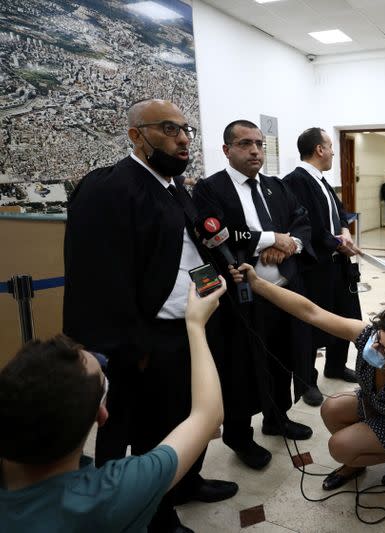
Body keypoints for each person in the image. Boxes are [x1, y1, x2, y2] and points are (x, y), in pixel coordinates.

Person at [63, 99, 237, 532]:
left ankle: (186, 482)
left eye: (185, 130)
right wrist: (127, 347)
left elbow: (188, 251)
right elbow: (98, 277)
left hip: (188, 328)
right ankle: (156, 514)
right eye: (168, 129)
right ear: (136, 136)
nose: (182, 139)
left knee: (183, 415)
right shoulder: (109, 188)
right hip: (142, 341)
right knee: (146, 432)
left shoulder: (173, 187)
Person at [0, 280, 227, 533]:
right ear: (102, 413)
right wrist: (195, 325)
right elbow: (208, 415)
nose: (98, 357)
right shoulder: (112, 493)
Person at [230, 262, 385, 526]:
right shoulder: (367, 336)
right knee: (331, 408)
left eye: (384, 350)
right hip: (379, 407)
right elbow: (311, 312)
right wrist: (258, 284)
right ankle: (356, 464)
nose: (374, 347)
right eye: (377, 339)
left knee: (341, 447)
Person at [192, 120, 316, 470]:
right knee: (240, 368)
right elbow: (215, 231)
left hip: (281, 291)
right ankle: (239, 435)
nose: (255, 150)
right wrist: (270, 238)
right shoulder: (210, 189)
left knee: (282, 359)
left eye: (259, 144)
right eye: (245, 144)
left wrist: (289, 244)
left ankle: (277, 418)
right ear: (227, 150)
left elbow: (300, 221)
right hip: (240, 299)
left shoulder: (276, 187)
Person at [283, 127, 362, 406]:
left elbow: (338, 212)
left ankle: (336, 365)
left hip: (336, 263)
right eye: (329, 147)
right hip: (314, 267)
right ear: (319, 149)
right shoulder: (296, 181)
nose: (331, 152)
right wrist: (336, 242)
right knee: (311, 322)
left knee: (344, 313)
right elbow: (308, 225)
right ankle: (307, 382)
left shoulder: (322, 181)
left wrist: (345, 230)